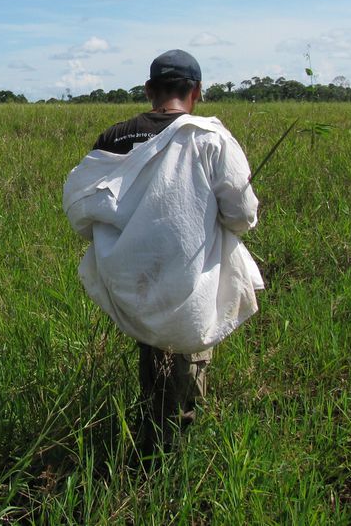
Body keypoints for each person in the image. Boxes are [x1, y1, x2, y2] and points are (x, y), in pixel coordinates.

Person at [62, 49, 262, 462]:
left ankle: (153, 431)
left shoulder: (114, 138)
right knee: (186, 354)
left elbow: (81, 207)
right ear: (197, 93)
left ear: (150, 91)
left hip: (133, 278)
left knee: (152, 349)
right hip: (189, 280)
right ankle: (170, 453)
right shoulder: (210, 140)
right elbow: (242, 215)